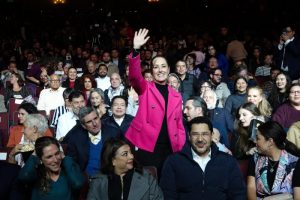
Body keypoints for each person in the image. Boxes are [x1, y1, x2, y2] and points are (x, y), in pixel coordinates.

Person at [125, 28, 186, 177]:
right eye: (156, 67)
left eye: (163, 66)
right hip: (147, 146)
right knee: (147, 187)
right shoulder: (145, 87)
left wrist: (180, 145)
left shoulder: (176, 96)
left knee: (167, 185)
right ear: (152, 71)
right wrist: (136, 49)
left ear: (169, 69)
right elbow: (134, 77)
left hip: (170, 147)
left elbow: (178, 124)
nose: (160, 70)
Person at [160, 117, 246, 199]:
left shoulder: (228, 162)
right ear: (189, 136)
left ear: (212, 136)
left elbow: (238, 194)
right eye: (195, 134)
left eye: (205, 134)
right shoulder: (173, 162)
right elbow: (168, 195)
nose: (200, 139)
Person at [87, 138, 164, 200]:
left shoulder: (147, 177)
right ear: (113, 161)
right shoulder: (97, 181)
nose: (131, 157)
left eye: (130, 152)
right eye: (125, 154)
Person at [18, 136, 85, 200]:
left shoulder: (69, 168)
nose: (55, 160)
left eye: (57, 153)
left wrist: (65, 158)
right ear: (40, 159)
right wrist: (35, 154)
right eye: (49, 157)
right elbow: (23, 176)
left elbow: (77, 183)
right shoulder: (36, 173)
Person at [247, 121, 300, 199]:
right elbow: (251, 187)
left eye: (258, 138)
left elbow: (298, 196)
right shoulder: (255, 159)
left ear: (270, 142)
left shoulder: (295, 163)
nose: (255, 142)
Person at [62, 107, 120, 176]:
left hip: (110, 177)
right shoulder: (75, 139)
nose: (94, 124)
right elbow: (72, 165)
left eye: (96, 118)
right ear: (83, 126)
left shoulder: (113, 133)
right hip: (87, 180)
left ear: (99, 117)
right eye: (89, 122)